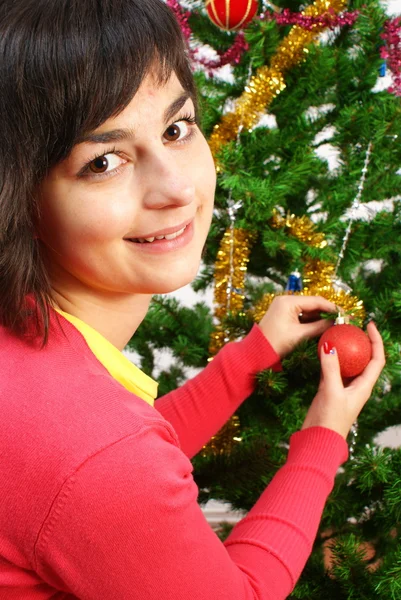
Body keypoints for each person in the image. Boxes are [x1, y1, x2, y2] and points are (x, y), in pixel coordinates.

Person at [0, 1, 385, 598]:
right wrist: (322, 438)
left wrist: (251, 355)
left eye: (177, 129)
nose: (177, 189)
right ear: (17, 197)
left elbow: (113, 458)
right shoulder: (92, 452)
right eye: (103, 161)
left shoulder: (32, 357)